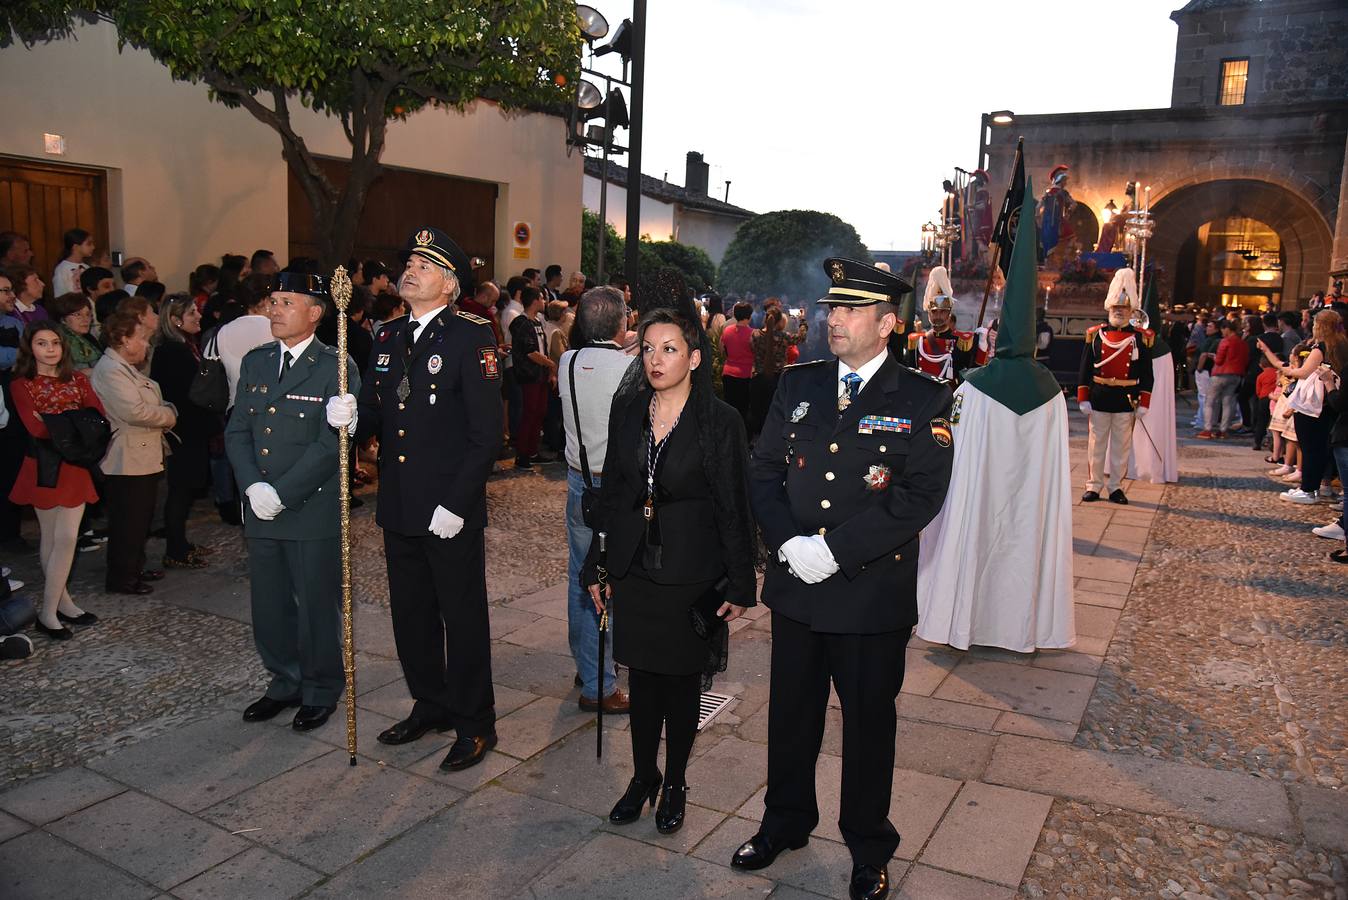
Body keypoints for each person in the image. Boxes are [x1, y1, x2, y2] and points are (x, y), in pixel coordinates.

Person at [737, 257, 952, 900]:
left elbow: (919, 495)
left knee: (868, 724)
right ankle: (785, 822)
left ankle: (867, 844)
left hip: (868, 593)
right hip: (798, 586)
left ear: (887, 323)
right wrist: (786, 543)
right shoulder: (797, 383)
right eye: (833, 308)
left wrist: (835, 551)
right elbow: (764, 470)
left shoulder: (921, 396)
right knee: (791, 715)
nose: (835, 319)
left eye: (852, 310)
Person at [327, 226, 503, 771]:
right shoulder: (387, 336)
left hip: (448, 507)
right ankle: (432, 704)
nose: (410, 271)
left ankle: (476, 723)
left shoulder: (471, 336)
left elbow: (486, 434)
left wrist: (457, 502)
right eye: (408, 264)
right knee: (411, 614)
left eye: (424, 266)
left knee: (462, 616)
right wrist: (355, 417)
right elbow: (387, 414)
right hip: (400, 501)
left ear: (449, 283)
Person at [583, 299, 755, 835]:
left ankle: (675, 781)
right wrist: (598, 564)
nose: (656, 360)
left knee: (681, 685)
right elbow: (612, 490)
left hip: (691, 570)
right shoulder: (629, 409)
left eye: (670, 349)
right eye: (649, 349)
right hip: (635, 565)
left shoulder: (720, 422)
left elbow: (735, 502)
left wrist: (740, 579)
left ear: (696, 358)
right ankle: (642, 777)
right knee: (642, 679)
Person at [919, 184, 1073, 653]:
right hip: (1027, 502)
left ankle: (966, 616)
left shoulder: (977, 387)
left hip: (980, 490)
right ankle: (1023, 624)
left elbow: (954, 451)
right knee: (1026, 538)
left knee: (975, 533)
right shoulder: (1051, 391)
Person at [227, 272, 358, 731]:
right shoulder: (257, 361)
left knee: (318, 605)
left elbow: (330, 446)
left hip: (308, 508)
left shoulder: (336, 365)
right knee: (270, 603)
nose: (274, 310)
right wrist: (252, 488)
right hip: (261, 506)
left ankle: (321, 687)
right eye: (273, 301)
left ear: (315, 313)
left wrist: (282, 493)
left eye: (286, 302)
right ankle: (284, 680)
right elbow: (238, 428)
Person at [558, 287, 632, 714]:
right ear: (621, 323)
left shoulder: (568, 362)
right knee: (607, 581)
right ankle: (599, 685)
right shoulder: (631, 368)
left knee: (579, 576)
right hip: (615, 487)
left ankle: (587, 666)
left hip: (577, 481)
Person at [9, 322, 104, 639]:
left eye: (55, 343)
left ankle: (48, 612)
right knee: (51, 538)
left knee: (65, 538)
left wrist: (54, 420)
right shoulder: (21, 384)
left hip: (73, 466)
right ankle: (62, 603)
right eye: (41, 343)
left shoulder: (77, 379)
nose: (50, 349)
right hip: (42, 466)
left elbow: (97, 419)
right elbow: (34, 430)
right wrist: (74, 422)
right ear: (29, 347)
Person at [91, 312, 176, 594]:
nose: (146, 345)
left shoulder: (124, 368)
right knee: (128, 520)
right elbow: (135, 411)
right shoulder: (111, 370)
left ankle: (133, 567)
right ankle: (122, 577)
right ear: (125, 340)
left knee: (139, 519)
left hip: (141, 455)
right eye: (141, 338)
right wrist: (168, 414)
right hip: (127, 459)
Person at [150, 294, 218, 569]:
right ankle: (175, 549)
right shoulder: (171, 351)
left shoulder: (185, 345)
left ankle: (180, 542)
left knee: (187, 489)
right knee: (180, 489)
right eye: (192, 313)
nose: (198, 317)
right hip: (184, 430)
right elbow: (183, 393)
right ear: (176, 320)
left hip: (193, 427)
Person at [1077, 268, 1154, 505]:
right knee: (1096, 444)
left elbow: (1146, 373)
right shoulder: (1096, 335)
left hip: (1125, 396)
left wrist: (1144, 401)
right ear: (1109, 309)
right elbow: (1085, 367)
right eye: (1115, 308)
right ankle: (1093, 485)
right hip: (1100, 394)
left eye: (1123, 309)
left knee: (1121, 447)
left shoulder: (1141, 338)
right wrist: (1083, 396)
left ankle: (1116, 487)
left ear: (1131, 312)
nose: (1119, 312)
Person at [1262, 309, 1346, 503]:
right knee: (1319, 447)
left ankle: (1308, 489)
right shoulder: (1342, 343)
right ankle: (1314, 487)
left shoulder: (1322, 346)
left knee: (1309, 448)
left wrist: (1287, 369)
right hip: (1328, 400)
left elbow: (1304, 373)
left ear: (1319, 325)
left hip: (1313, 403)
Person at [0, 272, 31, 553]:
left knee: (12, 467)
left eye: (11, 289)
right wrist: (14, 357)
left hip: (13, 403)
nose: (11, 296)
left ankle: (11, 533)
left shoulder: (13, 323)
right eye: (5, 291)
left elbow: (27, 355)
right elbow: (17, 356)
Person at [508, 286, 554, 468]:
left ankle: (532, 450)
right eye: (542, 298)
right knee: (529, 413)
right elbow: (530, 351)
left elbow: (542, 347)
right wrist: (550, 364)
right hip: (529, 375)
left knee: (539, 413)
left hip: (540, 374)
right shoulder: (522, 323)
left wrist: (549, 369)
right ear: (535, 300)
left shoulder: (536, 321)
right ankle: (522, 454)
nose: (544, 302)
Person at [906, 266, 975, 382]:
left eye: (942, 311)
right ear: (928, 313)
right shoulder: (917, 341)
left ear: (949, 313)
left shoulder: (961, 342)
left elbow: (970, 374)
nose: (938, 316)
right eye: (934, 311)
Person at [750, 305, 808, 438]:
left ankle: (755, 443)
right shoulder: (783, 337)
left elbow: (752, 349)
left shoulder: (755, 334)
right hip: (777, 380)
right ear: (778, 321)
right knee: (775, 413)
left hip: (758, 379)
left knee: (758, 413)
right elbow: (801, 338)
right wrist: (802, 321)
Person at [1198, 318, 1248, 439]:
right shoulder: (1243, 343)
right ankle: (1223, 430)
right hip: (1236, 375)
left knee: (1210, 401)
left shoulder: (1225, 341)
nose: (1221, 332)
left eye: (1222, 329)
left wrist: (1214, 357)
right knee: (1228, 403)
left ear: (1227, 329)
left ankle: (1207, 429)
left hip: (1220, 374)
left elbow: (1219, 360)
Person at [721, 301, 754, 429]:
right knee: (744, 409)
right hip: (746, 375)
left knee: (729, 407)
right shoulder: (753, 333)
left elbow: (721, 349)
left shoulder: (727, 331)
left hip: (728, 373)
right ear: (749, 316)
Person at [46, 293, 100, 370]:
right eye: (78, 315)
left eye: (88, 314)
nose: (85, 319)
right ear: (63, 319)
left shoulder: (89, 338)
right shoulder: (59, 343)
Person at [52, 229, 95, 297]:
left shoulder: (87, 267)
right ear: (76, 247)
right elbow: (59, 295)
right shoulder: (62, 269)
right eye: (89, 244)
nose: (93, 247)